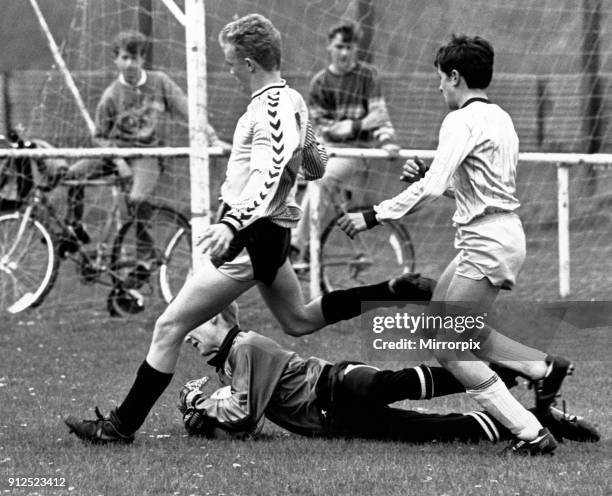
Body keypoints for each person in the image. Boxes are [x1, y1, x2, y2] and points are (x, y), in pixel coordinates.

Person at [63, 14, 434, 445]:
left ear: (250, 63)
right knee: (298, 319)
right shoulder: (293, 99)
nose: (229, 69)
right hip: (272, 237)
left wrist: (230, 223)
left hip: (250, 235)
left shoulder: (270, 107)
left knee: (168, 328)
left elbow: (269, 173)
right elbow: (316, 162)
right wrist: (295, 157)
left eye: (231, 62)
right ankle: (391, 290)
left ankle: (117, 428)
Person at [337, 35, 575, 455]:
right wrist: (427, 177)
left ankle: (529, 432)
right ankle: (542, 368)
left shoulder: (460, 121)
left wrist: (373, 214)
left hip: (487, 241)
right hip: (493, 234)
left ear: (455, 76)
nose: (438, 88)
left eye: (440, 79)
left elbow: (434, 190)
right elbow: (469, 190)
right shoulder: (500, 117)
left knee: (448, 345)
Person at [175, 307, 599, 450]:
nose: (188, 338)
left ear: (217, 321)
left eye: (193, 328)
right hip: (333, 423)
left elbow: (243, 414)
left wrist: (199, 405)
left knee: (388, 384)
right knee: (429, 430)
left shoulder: (247, 345)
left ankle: (507, 368)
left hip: (333, 384)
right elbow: (238, 420)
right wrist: (205, 415)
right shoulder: (230, 361)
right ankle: (533, 419)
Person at [61, 30, 230, 268]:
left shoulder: (159, 82)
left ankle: (146, 250)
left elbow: (188, 112)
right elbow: (99, 137)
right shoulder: (110, 96)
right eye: (124, 58)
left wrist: (212, 138)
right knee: (72, 175)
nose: (130, 64)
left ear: (142, 59)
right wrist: (118, 161)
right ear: (116, 60)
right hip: (117, 153)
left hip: (148, 154)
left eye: (135, 57)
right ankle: (75, 229)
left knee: (137, 198)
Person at [292, 21, 401, 264]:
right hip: (327, 148)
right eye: (340, 46)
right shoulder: (319, 82)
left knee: (322, 180)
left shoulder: (367, 76)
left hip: (358, 151)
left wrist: (387, 142)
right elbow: (324, 127)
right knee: (291, 181)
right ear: (329, 47)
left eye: (349, 47)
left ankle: (296, 245)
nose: (344, 53)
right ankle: (356, 251)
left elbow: (379, 115)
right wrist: (360, 124)